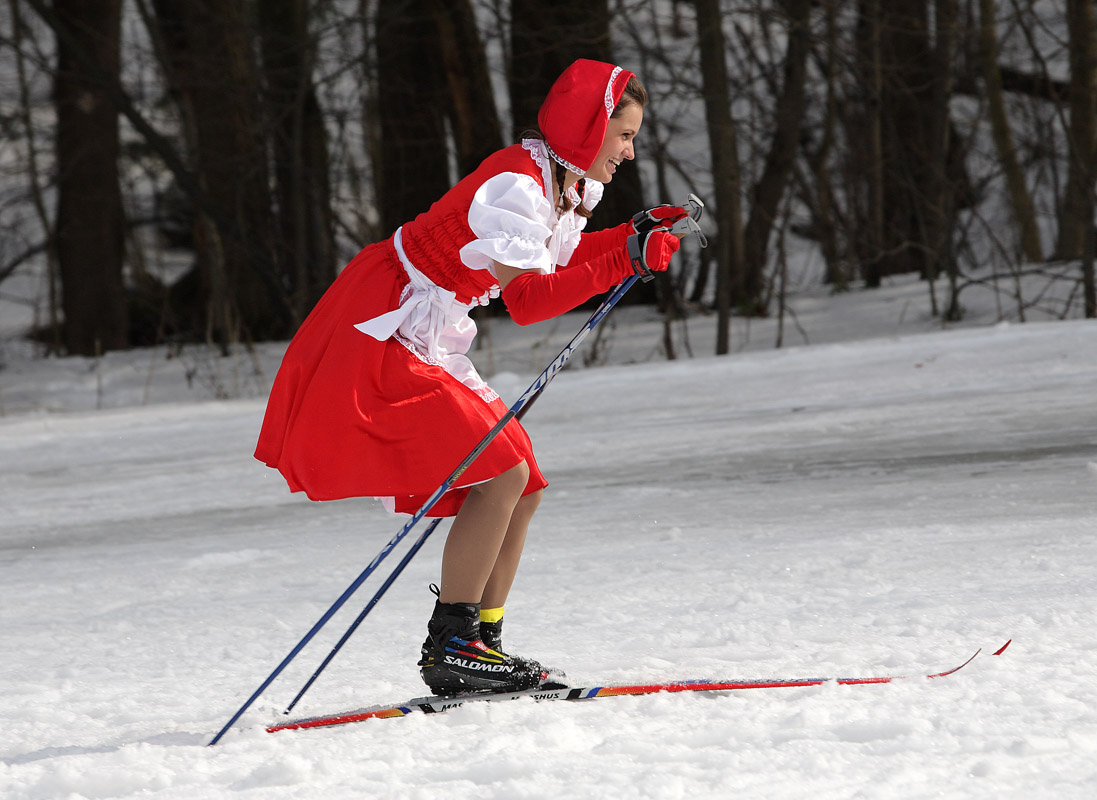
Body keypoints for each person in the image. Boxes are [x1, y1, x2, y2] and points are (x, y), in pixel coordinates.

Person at [254, 58, 690, 696]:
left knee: (525, 481)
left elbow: (554, 263)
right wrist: (625, 256)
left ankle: (479, 642)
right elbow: (529, 300)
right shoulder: (516, 185)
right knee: (500, 472)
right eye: (623, 136)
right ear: (589, 130)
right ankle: (453, 648)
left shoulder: (557, 184)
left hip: (426, 329)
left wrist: (632, 233)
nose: (628, 152)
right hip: (386, 327)